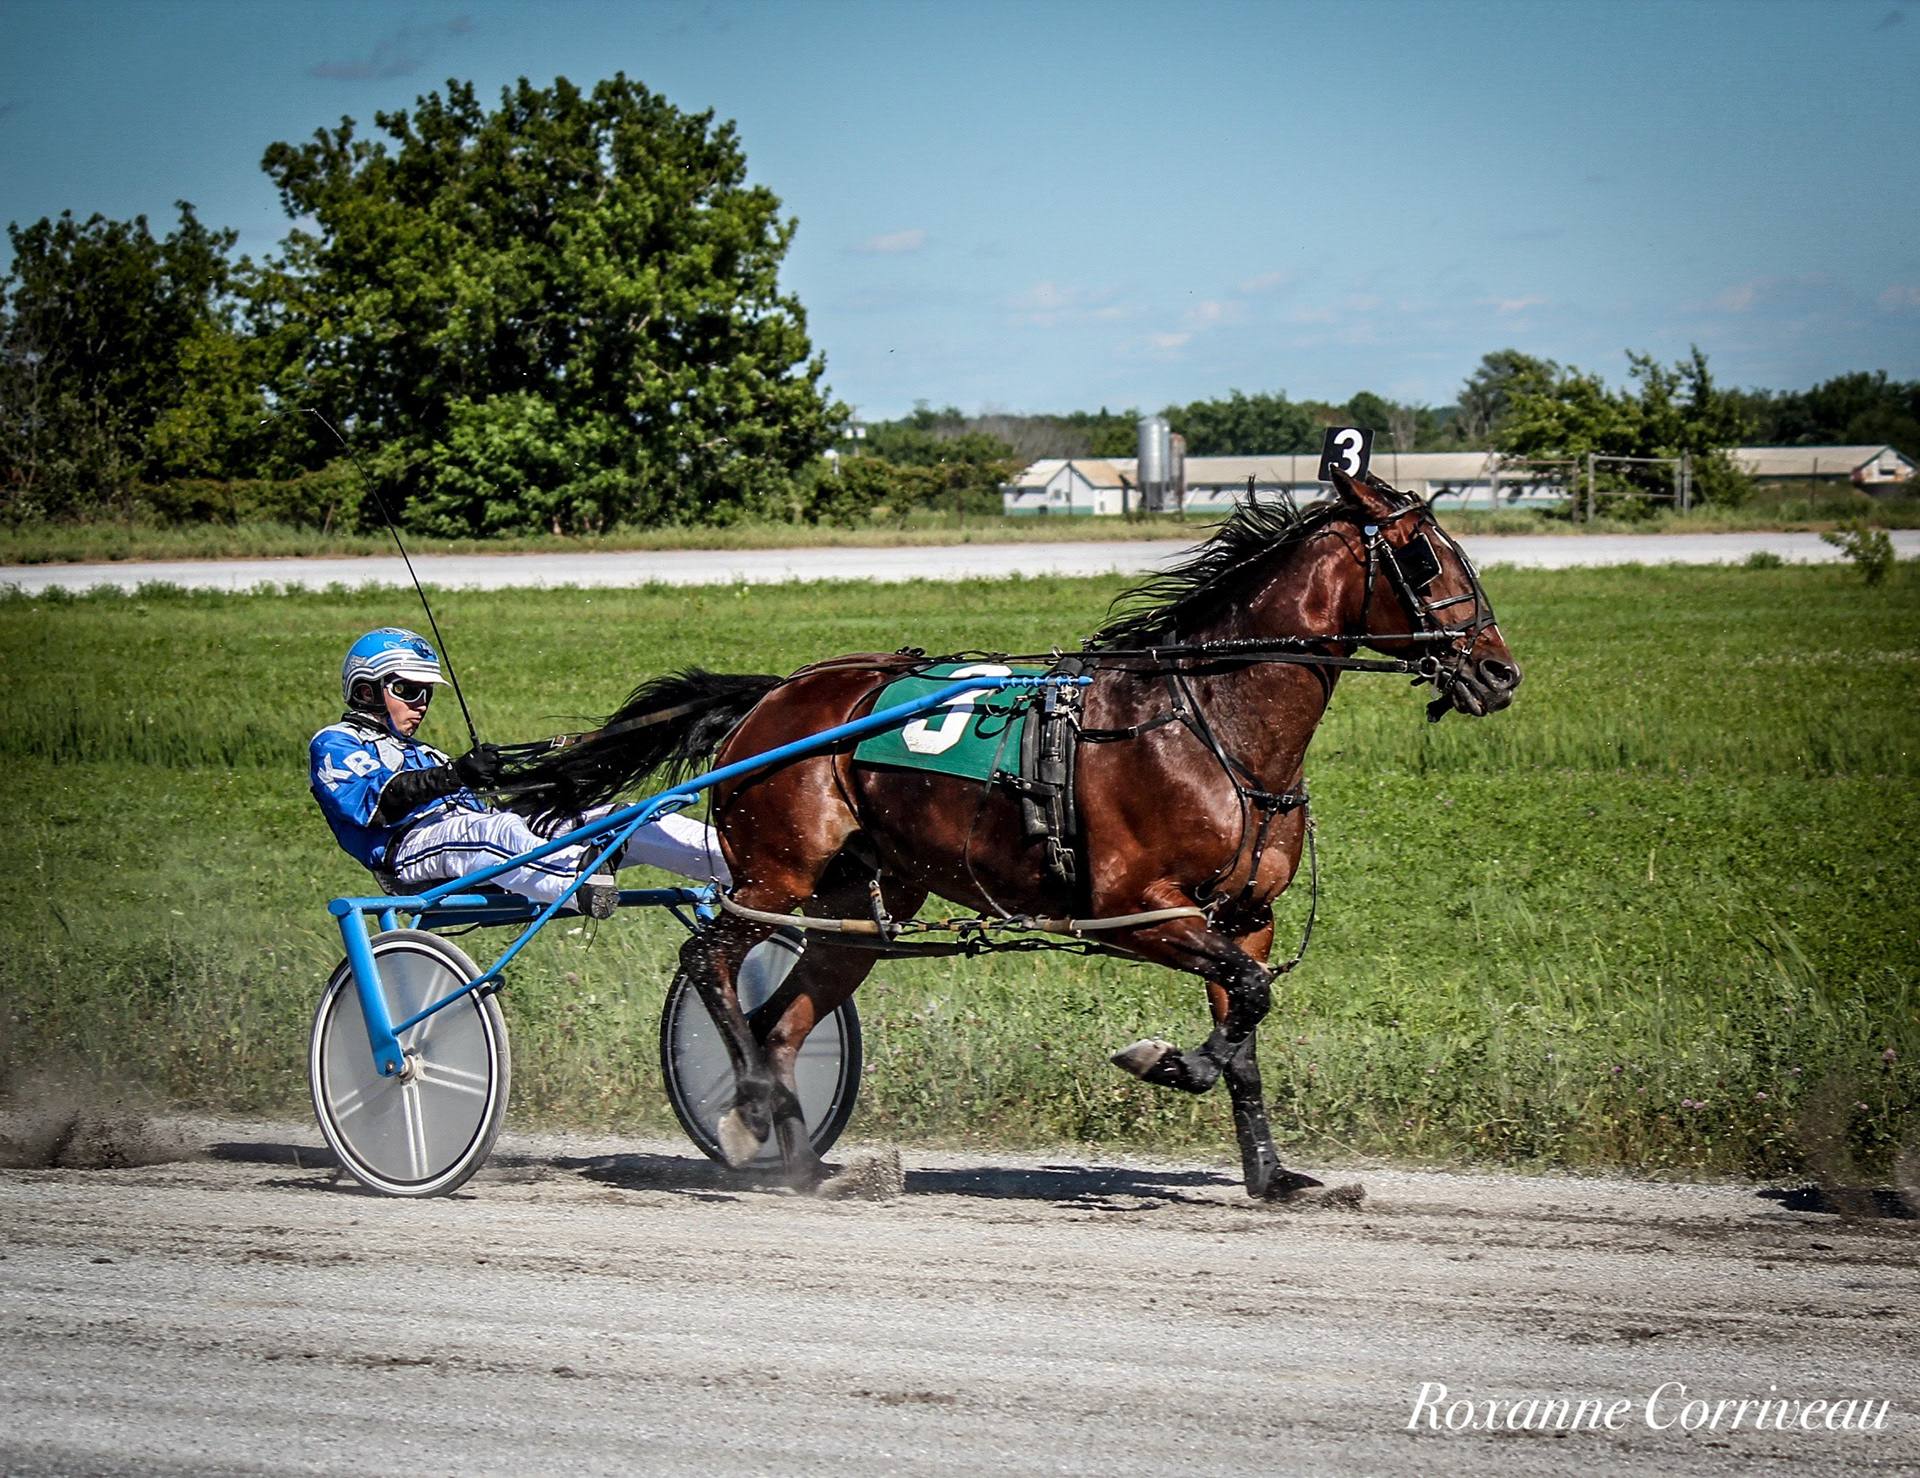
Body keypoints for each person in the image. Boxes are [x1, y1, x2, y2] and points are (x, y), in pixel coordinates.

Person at [309, 627, 729, 916]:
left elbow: (484, 808)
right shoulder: (335, 743)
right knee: (492, 831)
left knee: (624, 817)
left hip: (481, 845)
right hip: (408, 855)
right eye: (407, 690)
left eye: (426, 692)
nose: (420, 703)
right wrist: (456, 775)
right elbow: (376, 804)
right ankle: (577, 878)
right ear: (366, 690)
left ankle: (736, 863)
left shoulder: (426, 752)